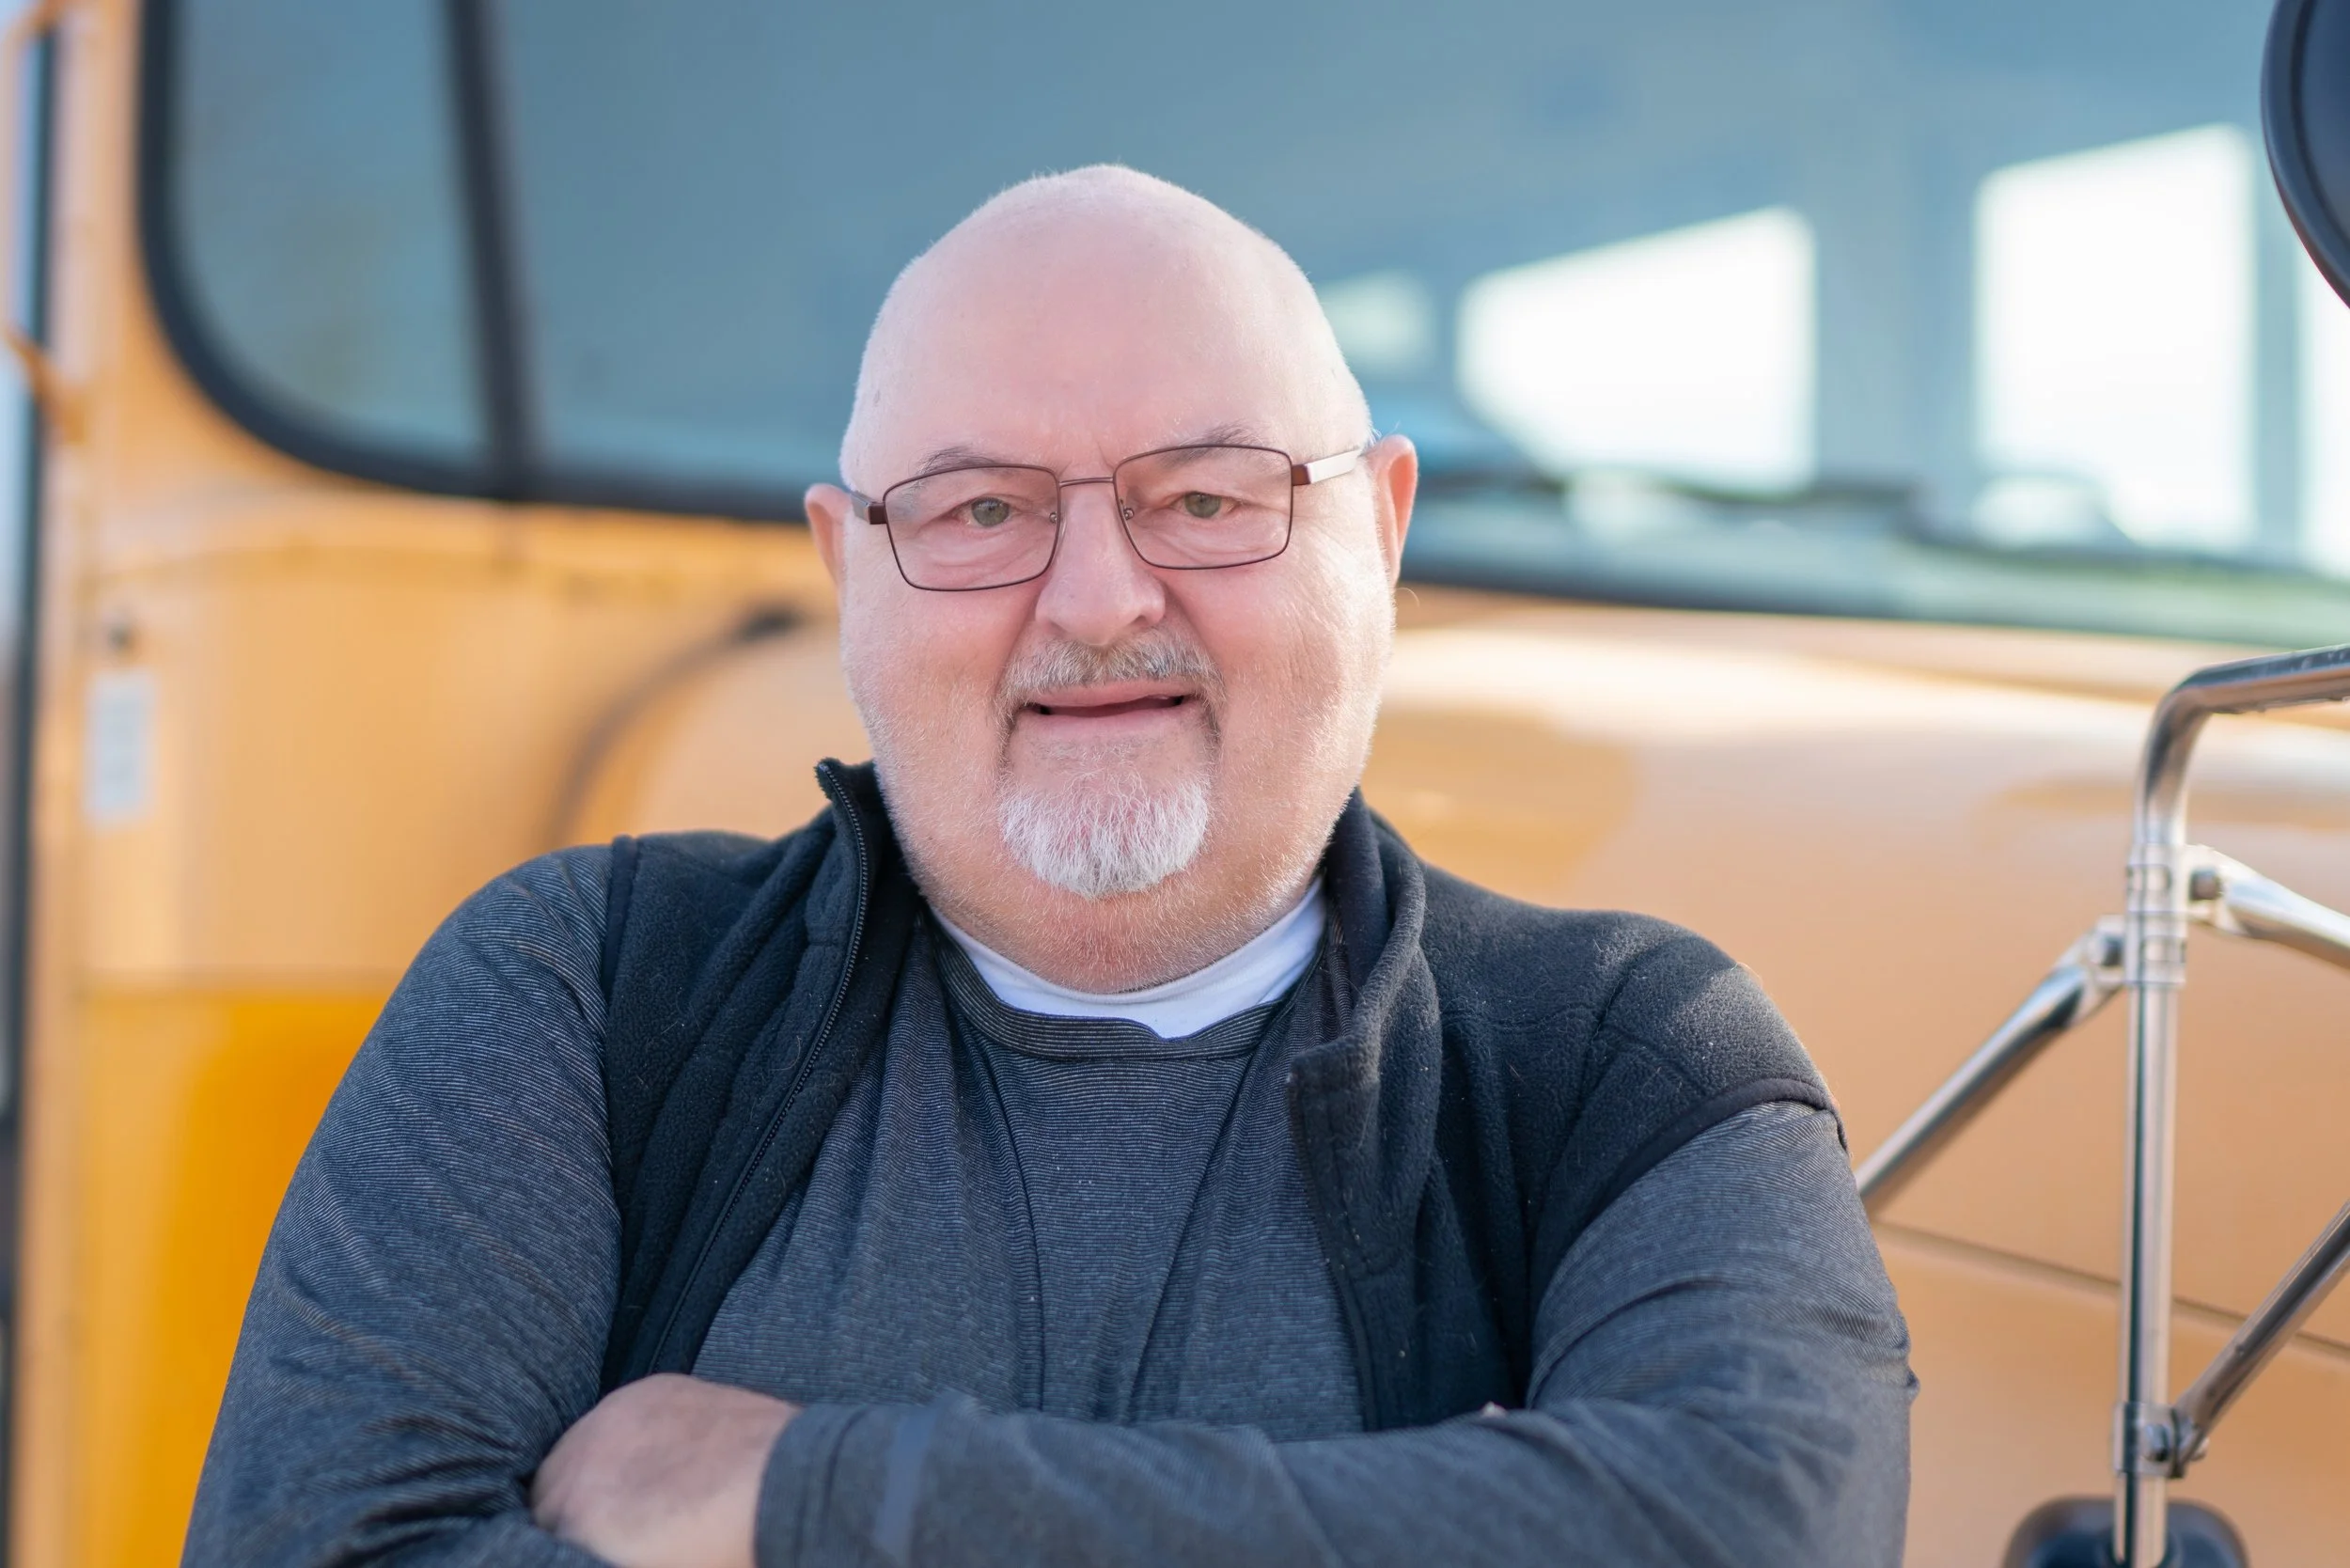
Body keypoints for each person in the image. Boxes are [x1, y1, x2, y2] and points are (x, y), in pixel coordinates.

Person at [184, 165, 1913, 1568]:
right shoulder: (587, 993)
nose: (1095, 600)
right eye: (980, 511)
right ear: (848, 570)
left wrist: (800, 1499)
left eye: (1209, 497)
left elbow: (1764, 1531)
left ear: (1380, 532)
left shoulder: (1620, 1058)